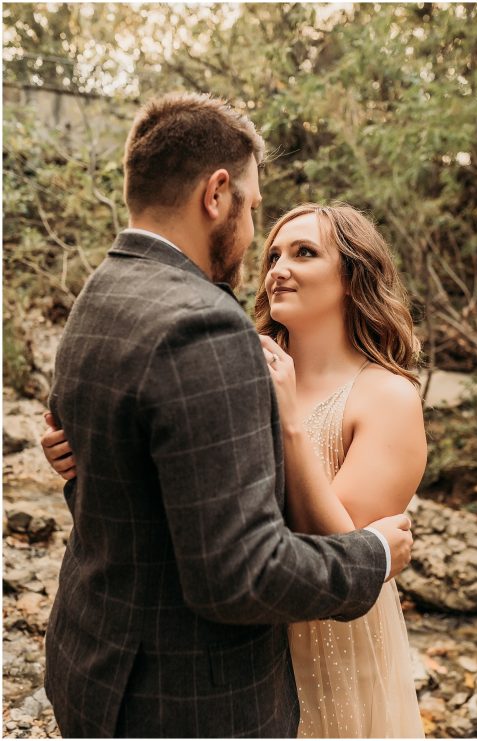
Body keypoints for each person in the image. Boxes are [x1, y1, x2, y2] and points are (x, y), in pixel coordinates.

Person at [38, 92, 413, 738]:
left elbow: (154, 476)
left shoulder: (101, 294)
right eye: (255, 216)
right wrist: (374, 554)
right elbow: (239, 571)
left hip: (97, 664)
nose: (264, 258)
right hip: (186, 694)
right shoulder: (209, 329)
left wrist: (93, 464)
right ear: (217, 195)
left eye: (303, 254)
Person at [255, 203, 427, 737]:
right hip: (247, 644)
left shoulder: (387, 397)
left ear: (354, 279)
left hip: (336, 652)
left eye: (304, 253)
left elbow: (344, 557)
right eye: (274, 255)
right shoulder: (242, 371)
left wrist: (289, 424)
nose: (278, 268)